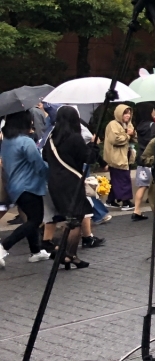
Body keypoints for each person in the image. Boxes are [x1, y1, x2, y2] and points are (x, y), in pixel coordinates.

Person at [42, 105, 95, 269]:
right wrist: (94, 145)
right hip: (72, 182)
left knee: (69, 218)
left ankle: (65, 253)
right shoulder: (75, 138)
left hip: (55, 182)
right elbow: (89, 158)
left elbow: (45, 156)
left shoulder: (52, 138)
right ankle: (69, 255)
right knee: (76, 220)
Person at [0, 111, 50, 268]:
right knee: (36, 219)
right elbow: (39, 165)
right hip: (29, 186)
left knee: (30, 219)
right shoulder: (26, 142)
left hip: (14, 186)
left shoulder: (7, 141)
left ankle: (36, 251)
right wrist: (52, 171)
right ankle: (3, 246)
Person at [103, 104, 136, 209]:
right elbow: (115, 139)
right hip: (116, 158)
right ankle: (126, 202)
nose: (128, 115)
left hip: (125, 156)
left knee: (116, 179)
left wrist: (133, 134)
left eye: (129, 113)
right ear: (119, 113)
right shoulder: (113, 124)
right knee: (123, 179)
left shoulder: (128, 124)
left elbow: (135, 138)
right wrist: (128, 134)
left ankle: (111, 200)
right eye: (125, 113)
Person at [132, 106, 155, 222]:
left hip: (141, 160)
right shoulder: (153, 126)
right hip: (152, 159)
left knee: (142, 186)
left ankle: (136, 210)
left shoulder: (139, 126)